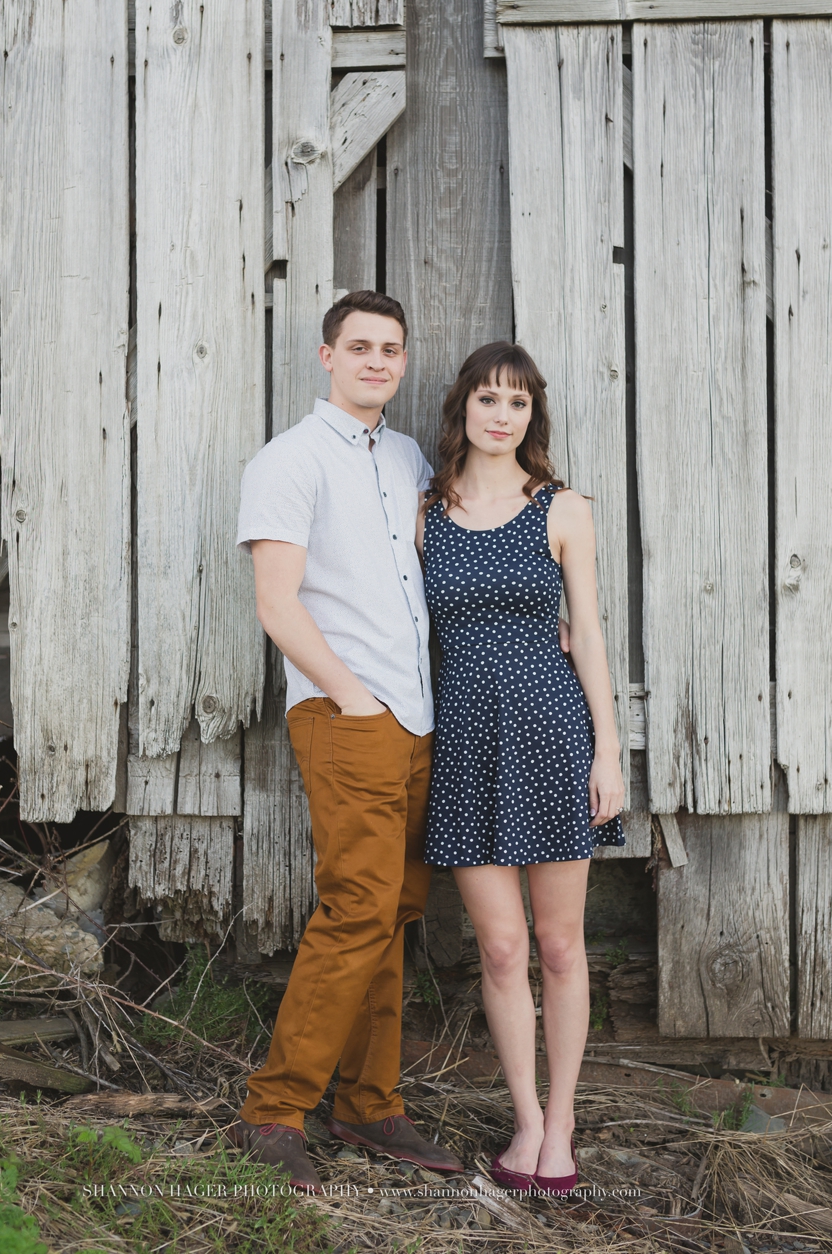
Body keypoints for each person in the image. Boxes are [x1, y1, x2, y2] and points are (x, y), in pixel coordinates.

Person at [231, 290, 464, 1193]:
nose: (377, 361)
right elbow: (276, 604)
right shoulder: (289, 462)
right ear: (326, 356)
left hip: (417, 716)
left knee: (395, 910)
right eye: (359, 346)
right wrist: (354, 697)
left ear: (403, 363)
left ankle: (370, 1105)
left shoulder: (404, 456)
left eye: (391, 349)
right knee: (357, 908)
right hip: (348, 717)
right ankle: (275, 1108)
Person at [417, 341, 626, 1195]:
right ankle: (525, 1118)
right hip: (465, 743)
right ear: (462, 408)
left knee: (559, 943)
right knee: (501, 950)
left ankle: (565, 1121)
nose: (501, 416)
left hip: (553, 736)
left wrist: (608, 753)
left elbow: (592, 637)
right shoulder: (426, 510)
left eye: (518, 403)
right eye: (488, 400)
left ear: (531, 417)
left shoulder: (563, 510)